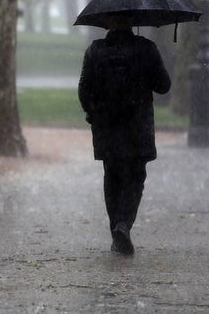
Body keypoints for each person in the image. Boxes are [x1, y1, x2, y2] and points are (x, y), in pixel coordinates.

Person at [78, 16, 171, 255]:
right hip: (137, 128)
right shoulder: (146, 49)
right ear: (132, 22)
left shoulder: (95, 51)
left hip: (106, 127)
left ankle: (116, 230)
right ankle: (124, 224)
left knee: (112, 177)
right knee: (135, 178)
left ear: (108, 23)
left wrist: (92, 112)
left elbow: (84, 89)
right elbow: (164, 85)